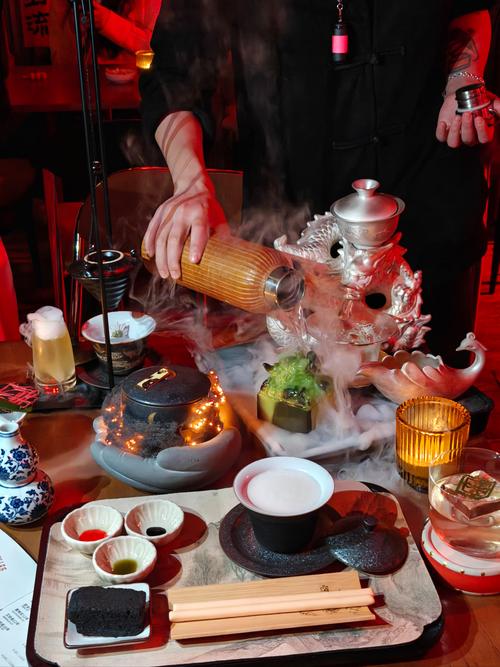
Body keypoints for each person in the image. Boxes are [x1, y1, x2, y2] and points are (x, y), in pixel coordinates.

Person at [140, 1, 500, 362]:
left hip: (429, 217)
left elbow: (470, 7)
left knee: (436, 387)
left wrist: (463, 78)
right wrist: (191, 183)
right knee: (297, 387)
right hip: (294, 242)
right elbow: (174, 77)